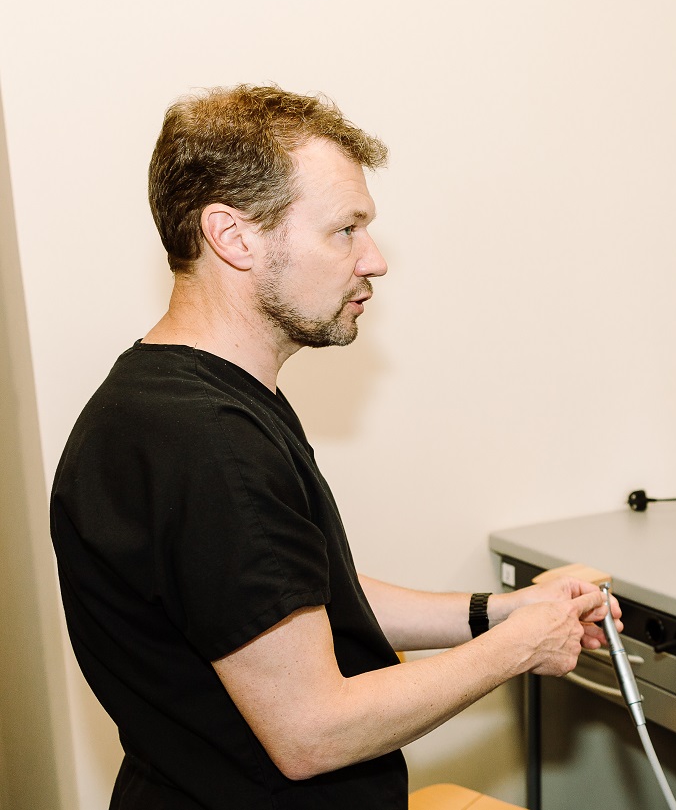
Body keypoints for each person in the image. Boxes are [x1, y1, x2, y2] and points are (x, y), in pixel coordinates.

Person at [50, 85, 618, 809]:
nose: (373, 259)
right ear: (234, 236)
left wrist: (497, 610)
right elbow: (311, 732)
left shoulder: (173, 397)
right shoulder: (208, 445)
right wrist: (518, 648)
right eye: (345, 229)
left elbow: (294, 604)